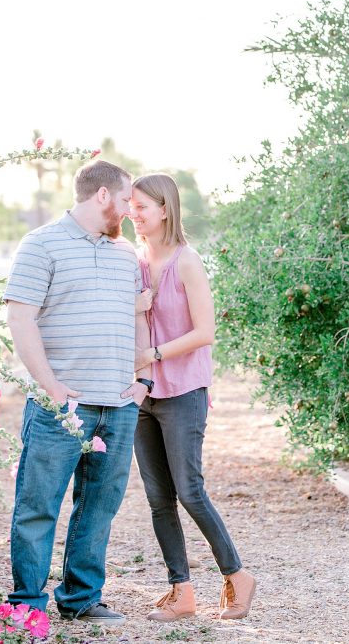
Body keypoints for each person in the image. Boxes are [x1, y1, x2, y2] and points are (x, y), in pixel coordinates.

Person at [2, 159, 154, 625]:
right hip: (60, 404)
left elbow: (135, 318)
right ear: (102, 196)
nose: (130, 210)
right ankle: (27, 603)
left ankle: (81, 598)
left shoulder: (125, 254)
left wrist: (143, 381)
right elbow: (20, 317)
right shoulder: (41, 244)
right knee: (39, 503)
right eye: (126, 200)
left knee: (99, 507)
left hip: (119, 404)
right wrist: (50, 385)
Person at [128, 173, 256, 622]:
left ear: (165, 208)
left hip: (184, 392)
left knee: (190, 492)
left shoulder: (187, 262)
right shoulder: (135, 262)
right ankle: (181, 590)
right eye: (131, 206)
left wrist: (154, 353)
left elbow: (205, 332)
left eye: (141, 206)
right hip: (142, 395)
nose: (133, 213)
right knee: (157, 497)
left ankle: (237, 576)